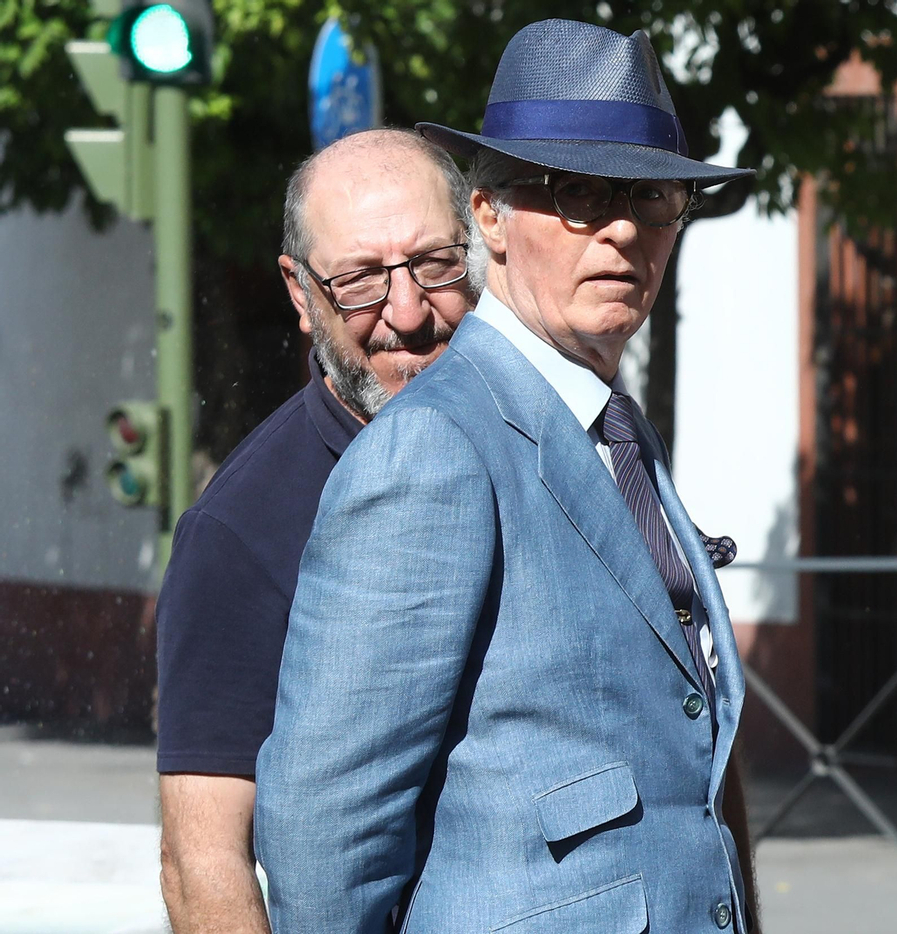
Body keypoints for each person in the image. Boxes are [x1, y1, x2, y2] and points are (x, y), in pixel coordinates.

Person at [255, 20, 759, 934]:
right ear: (487, 214)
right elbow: (324, 824)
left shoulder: (614, 427)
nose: (619, 230)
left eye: (652, 199)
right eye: (577, 194)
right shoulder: (433, 450)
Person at [153, 128, 476, 932]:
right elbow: (203, 864)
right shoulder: (239, 530)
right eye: (361, 281)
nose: (407, 313)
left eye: (436, 264)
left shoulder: (551, 441)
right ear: (300, 295)